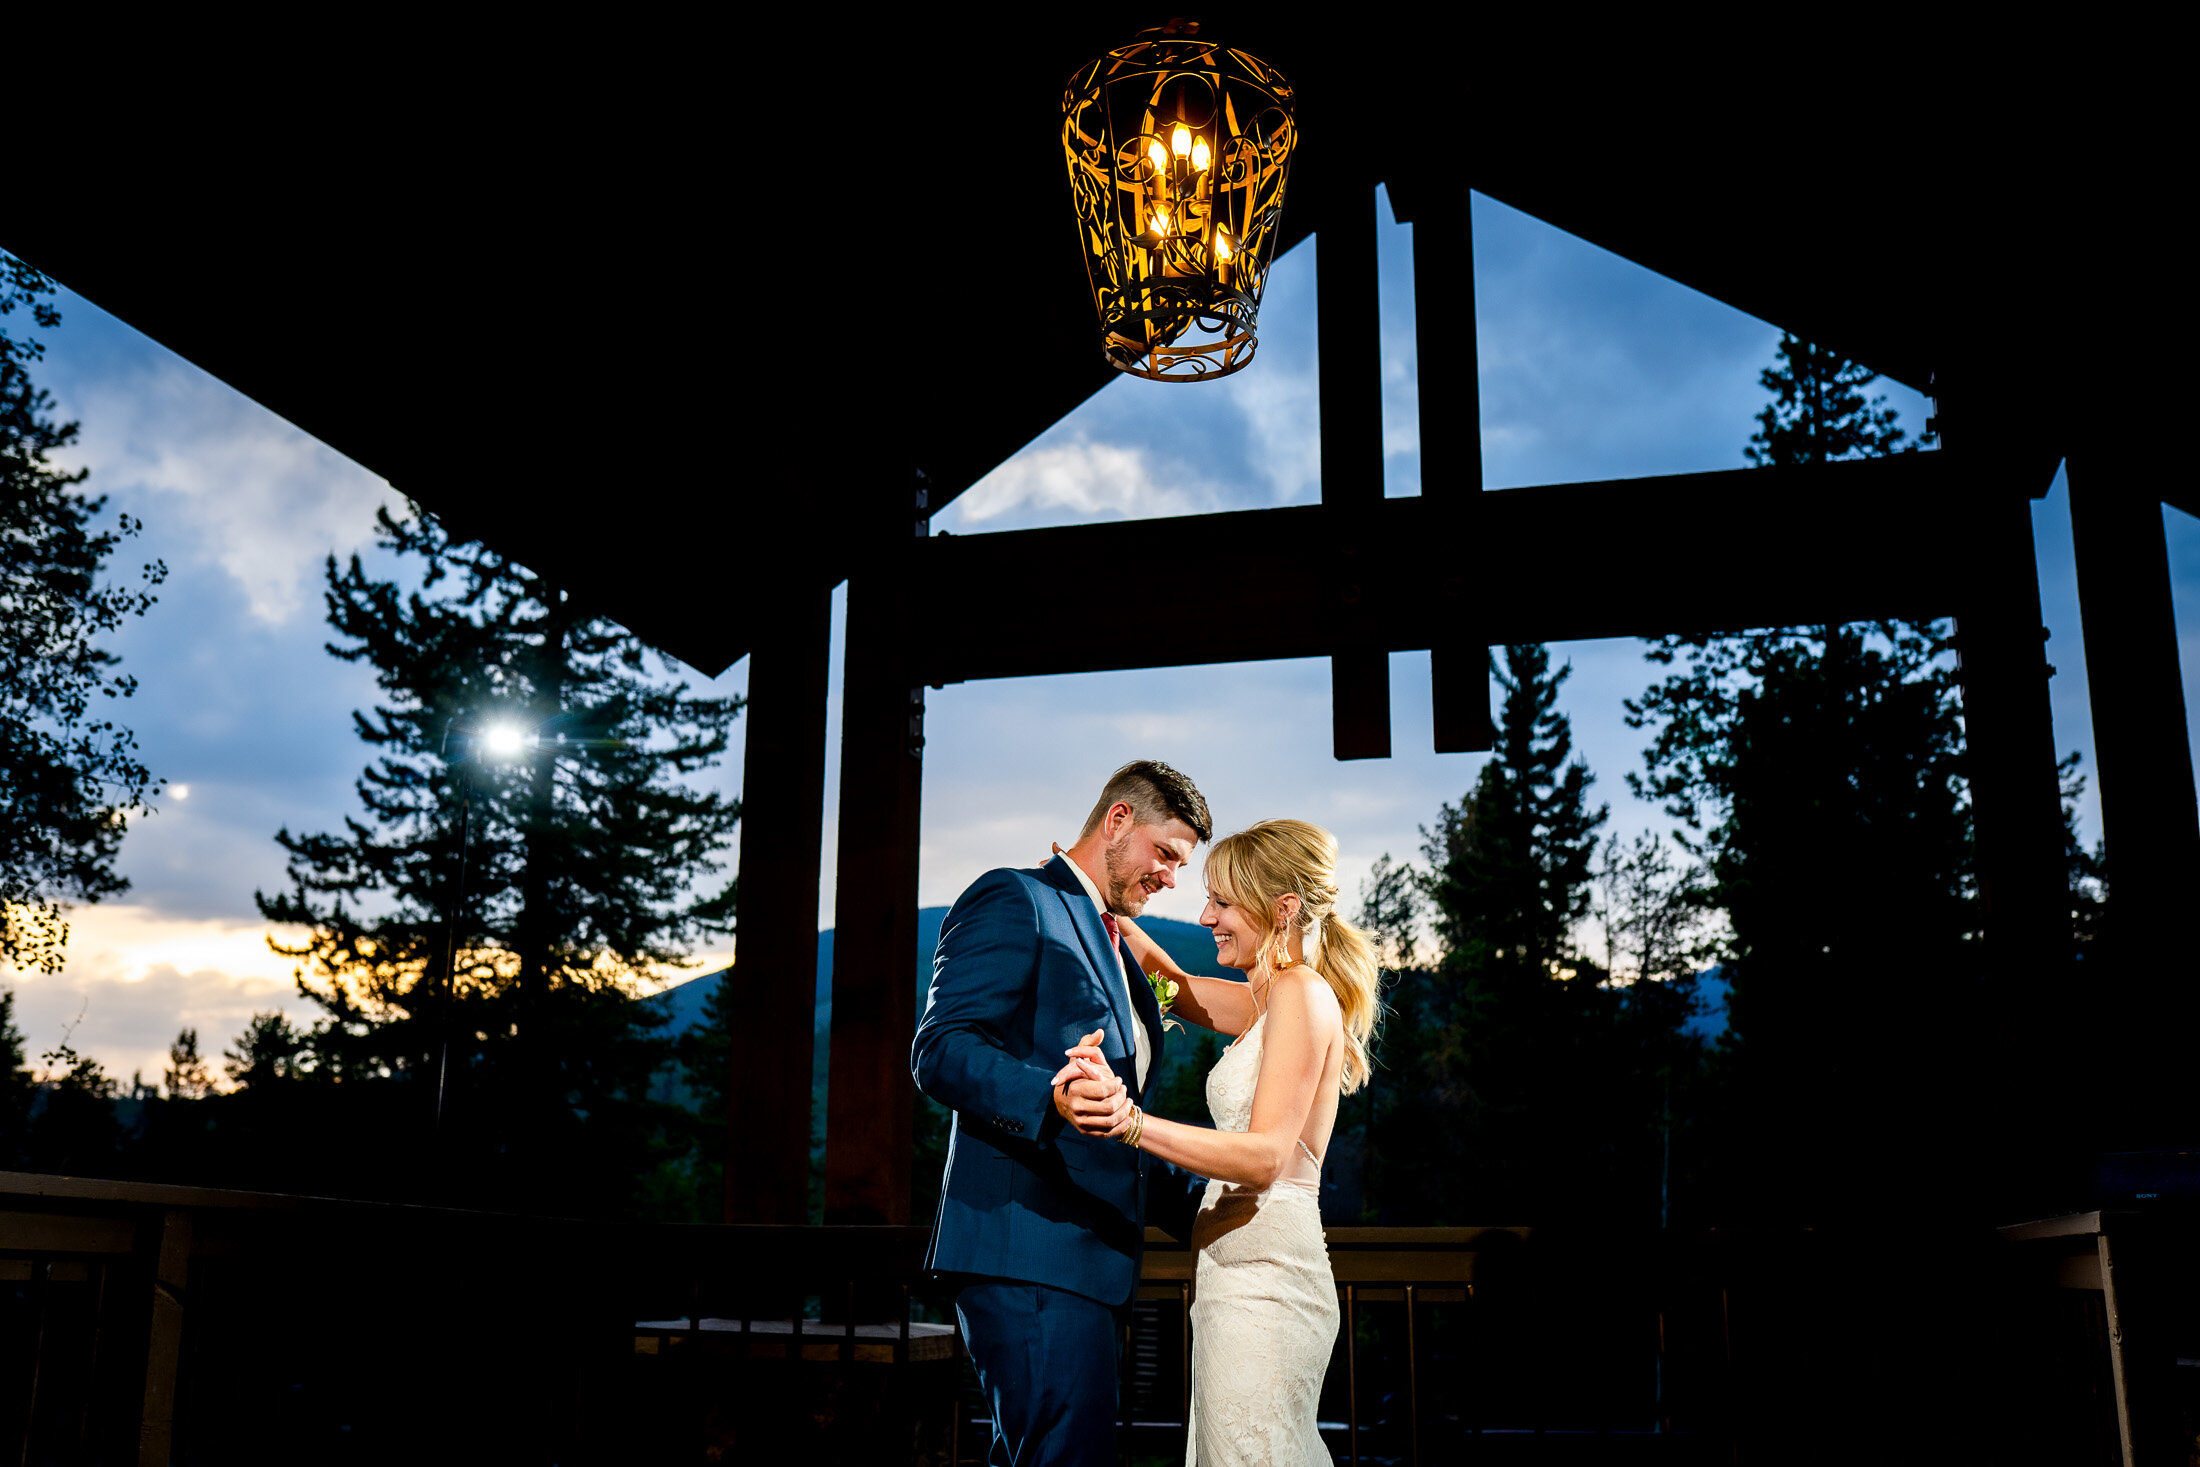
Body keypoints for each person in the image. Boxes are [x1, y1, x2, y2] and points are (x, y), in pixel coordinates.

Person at [911, 760, 1216, 1467]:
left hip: (1084, 1266)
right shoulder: (1015, 897)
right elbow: (942, 1047)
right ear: (1117, 820)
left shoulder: (1119, 947)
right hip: (1030, 1255)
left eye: (1180, 864)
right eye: (1165, 854)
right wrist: (1047, 1092)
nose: (1170, 876)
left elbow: (1114, 1124)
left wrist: (1215, 1202)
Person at [1054, 818, 1385, 1466]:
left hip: (1267, 1281)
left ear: (1282, 907)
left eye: (1222, 900)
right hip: (1232, 1274)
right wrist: (1097, 900)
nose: (1206, 916)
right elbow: (1171, 989)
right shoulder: (1273, 999)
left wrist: (1131, 1122)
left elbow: (1265, 1155)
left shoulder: (1300, 991)